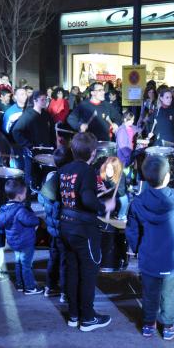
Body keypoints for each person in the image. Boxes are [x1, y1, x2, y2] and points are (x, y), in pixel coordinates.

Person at [126, 155, 174, 340]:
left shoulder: (138, 202)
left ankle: (148, 324)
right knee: (171, 294)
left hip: (149, 258)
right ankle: (169, 326)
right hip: (173, 259)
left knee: (149, 293)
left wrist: (137, 249)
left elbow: (132, 230)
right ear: (167, 176)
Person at [58, 132, 115, 331]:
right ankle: (88, 318)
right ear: (93, 153)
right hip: (83, 230)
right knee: (88, 274)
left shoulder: (64, 169)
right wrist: (104, 206)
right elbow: (87, 199)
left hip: (65, 226)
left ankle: (74, 315)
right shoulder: (88, 171)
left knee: (72, 271)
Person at [38, 146, 72, 301]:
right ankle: (65, 292)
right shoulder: (64, 180)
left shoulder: (51, 178)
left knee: (54, 258)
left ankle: (50, 286)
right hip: (63, 229)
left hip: (53, 229)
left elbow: (41, 199)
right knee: (65, 261)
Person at [0, 179, 42, 295]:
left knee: (18, 262)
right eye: (25, 193)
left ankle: (20, 284)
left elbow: (0, 224)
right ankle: (30, 287)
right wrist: (36, 218)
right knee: (26, 265)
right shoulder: (20, 210)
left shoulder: (3, 209)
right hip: (25, 242)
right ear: (19, 196)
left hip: (13, 242)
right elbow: (32, 221)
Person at [98, 156, 129, 220]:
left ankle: (121, 215)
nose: (108, 171)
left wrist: (106, 190)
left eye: (111, 169)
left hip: (115, 196)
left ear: (116, 170)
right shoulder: (102, 172)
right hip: (102, 197)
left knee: (124, 199)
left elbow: (121, 193)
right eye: (107, 168)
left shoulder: (121, 175)